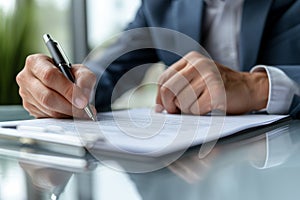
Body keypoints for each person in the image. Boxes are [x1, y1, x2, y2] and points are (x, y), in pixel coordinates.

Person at [16, 0, 300, 119]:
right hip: (192, 177)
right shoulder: (159, 5)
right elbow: (106, 70)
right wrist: (63, 87)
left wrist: (257, 87)